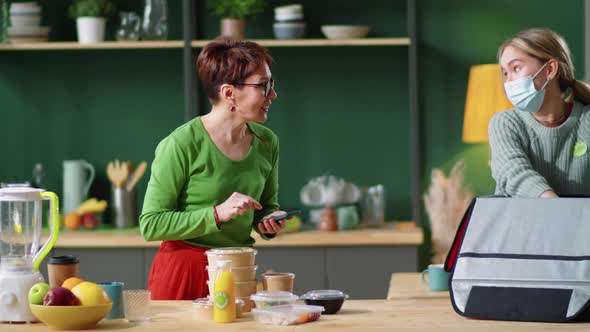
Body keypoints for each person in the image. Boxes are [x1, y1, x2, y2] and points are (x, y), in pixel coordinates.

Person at [139, 37, 288, 300]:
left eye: (271, 84)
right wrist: (217, 214)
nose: (273, 94)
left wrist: (268, 222)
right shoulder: (181, 143)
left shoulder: (267, 142)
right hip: (184, 273)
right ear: (229, 92)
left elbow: (265, 208)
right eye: (263, 86)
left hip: (239, 272)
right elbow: (151, 224)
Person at [489, 28, 590, 198]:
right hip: (522, 224)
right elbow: (515, 174)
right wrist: (560, 212)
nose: (509, 81)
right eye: (506, 73)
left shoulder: (586, 121)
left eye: (516, 68)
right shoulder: (505, 123)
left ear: (549, 70)